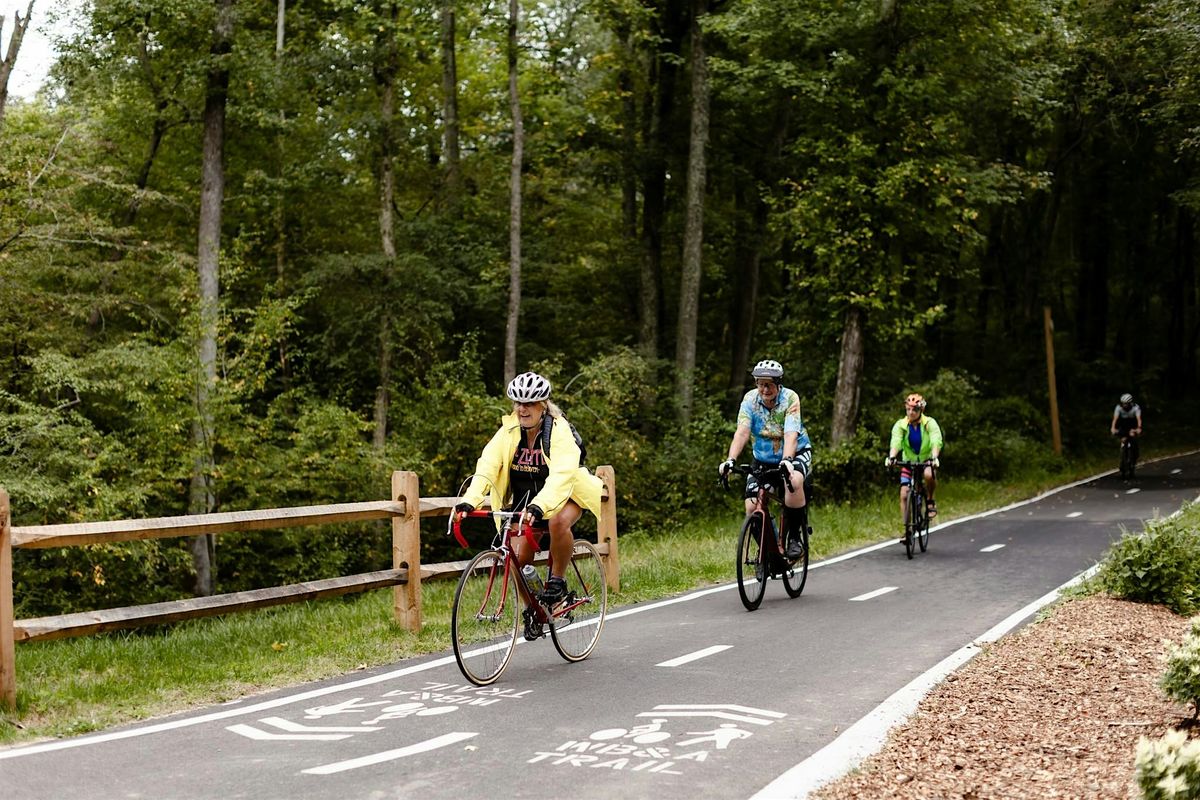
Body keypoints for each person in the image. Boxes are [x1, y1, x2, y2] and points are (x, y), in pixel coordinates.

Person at [451, 371, 603, 612]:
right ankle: (534, 610)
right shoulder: (509, 431)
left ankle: (557, 582)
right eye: (518, 403)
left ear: (543, 405)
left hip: (567, 493)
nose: (523, 409)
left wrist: (540, 505)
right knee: (516, 559)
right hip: (527, 501)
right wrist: (470, 500)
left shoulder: (559, 430)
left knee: (558, 521)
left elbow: (562, 475)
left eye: (530, 403)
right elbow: (488, 465)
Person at [718, 359, 813, 561]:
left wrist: (787, 459)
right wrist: (730, 460)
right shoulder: (749, 400)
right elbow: (742, 432)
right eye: (760, 384)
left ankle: (794, 538)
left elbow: (790, 433)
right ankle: (770, 551)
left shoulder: (790, 398)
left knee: (794, 482)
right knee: (752, 506)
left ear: (778, 384)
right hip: (763, 458)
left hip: (795, 452)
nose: (765, 389)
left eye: (769, 384)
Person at [885, 393, 943, 538]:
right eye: (908, 409)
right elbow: (896, 441)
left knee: (929, 475)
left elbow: (936, 440)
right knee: (904, 494)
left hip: (926, 460)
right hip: (909, 462)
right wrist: (892, 457)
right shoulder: (901, 425)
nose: (911, 412)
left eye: (915, 410)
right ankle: (907, 531)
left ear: (921, 410)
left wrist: (934, 457)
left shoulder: (929, 423)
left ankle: (930, 500)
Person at [1110, 392, 1143, 465]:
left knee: (1133, 437)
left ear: (1130, 403)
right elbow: (1115, 419)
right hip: (1123, 425)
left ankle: (1135, 454)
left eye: (1126, 404)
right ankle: (1123, 454)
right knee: (1123, 438)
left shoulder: (1136, 407)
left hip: (1133, 424)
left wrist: (1139, 428)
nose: (1124, 405)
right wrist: (1113, 428)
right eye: (1123, 403)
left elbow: (1139, 419)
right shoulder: (1118, 407)